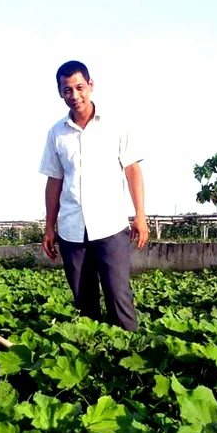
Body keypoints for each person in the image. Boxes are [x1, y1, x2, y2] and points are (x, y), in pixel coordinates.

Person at [38, 60, 149, 332]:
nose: (74, 96)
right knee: (83, 300)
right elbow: (54, 181)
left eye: (79, 87)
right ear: (59, 93)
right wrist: (49, 228)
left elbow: (132, 170)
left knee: (118, 295)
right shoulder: (57, 133)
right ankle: (92, 357)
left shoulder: (115, 124)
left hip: (110, 226)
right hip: (72, 231)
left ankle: (127, 356)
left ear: (91, 85)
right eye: (67, 90)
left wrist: (140, 216)